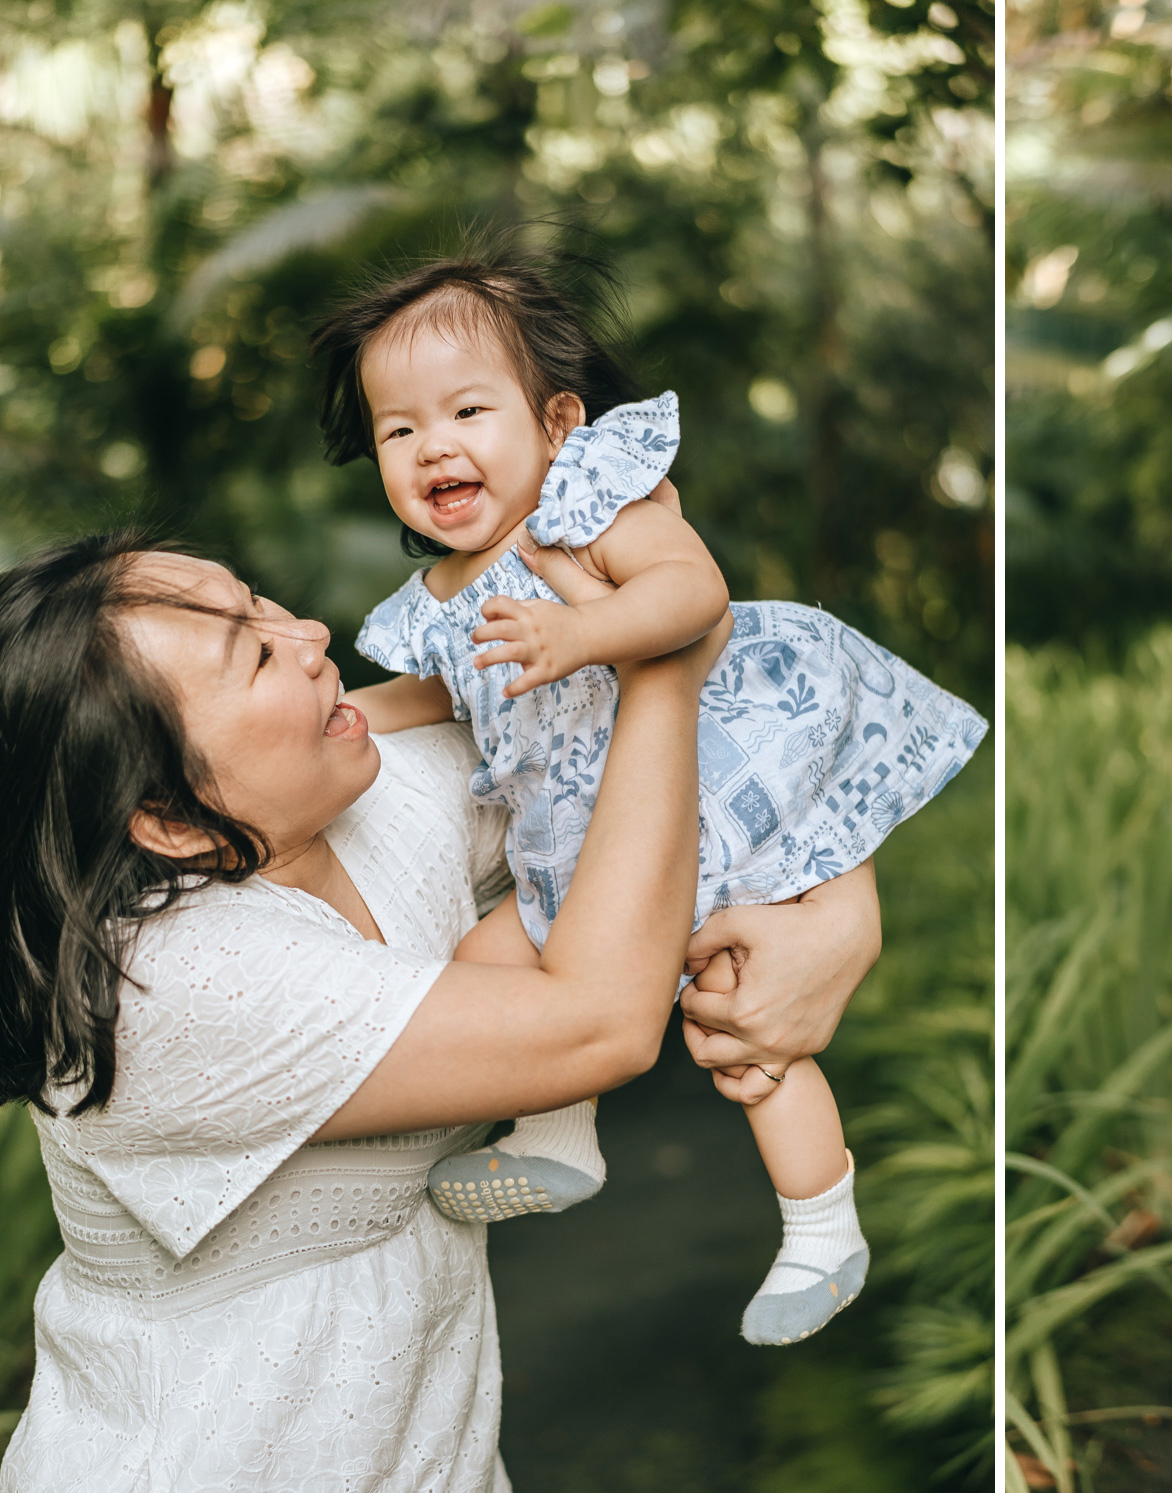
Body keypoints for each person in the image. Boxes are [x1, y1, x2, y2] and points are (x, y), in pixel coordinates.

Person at [0, 534, 881, 1490]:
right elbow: (601, 1021)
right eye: (253, 655)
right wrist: (658, 665)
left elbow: (689, 757)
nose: (310, 634)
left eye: (258, 602)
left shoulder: (370, 794)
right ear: (172, 819)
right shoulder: (163, 986)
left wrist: (842, 914)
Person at [311, 246, 986, 1344]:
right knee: (488, 965)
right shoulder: (438, 594)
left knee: (747, 1026)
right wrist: (333, 712)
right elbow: (437, 693)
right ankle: (556, 1132)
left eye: (469, 410)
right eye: (399, 429)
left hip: (698, 799)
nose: (433, 445)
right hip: (582, 844)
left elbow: (691, 590)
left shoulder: (583, 511)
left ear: (558, 423)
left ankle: (823, 1227)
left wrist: (581, 632)